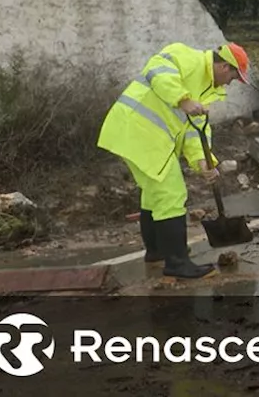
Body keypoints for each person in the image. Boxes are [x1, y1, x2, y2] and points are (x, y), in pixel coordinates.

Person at [97, 42, 250, 279]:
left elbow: (195, 129)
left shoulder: (207, 89)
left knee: (153, 195)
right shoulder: (187, 57)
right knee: (171, 194)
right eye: (233, 75)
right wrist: (182, 99)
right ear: (222, 66)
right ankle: (177, 263)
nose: (232, 82)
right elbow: (156, 70)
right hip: (138, 132)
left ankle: (157, 252)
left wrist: (202, 160)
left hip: (143, 136)